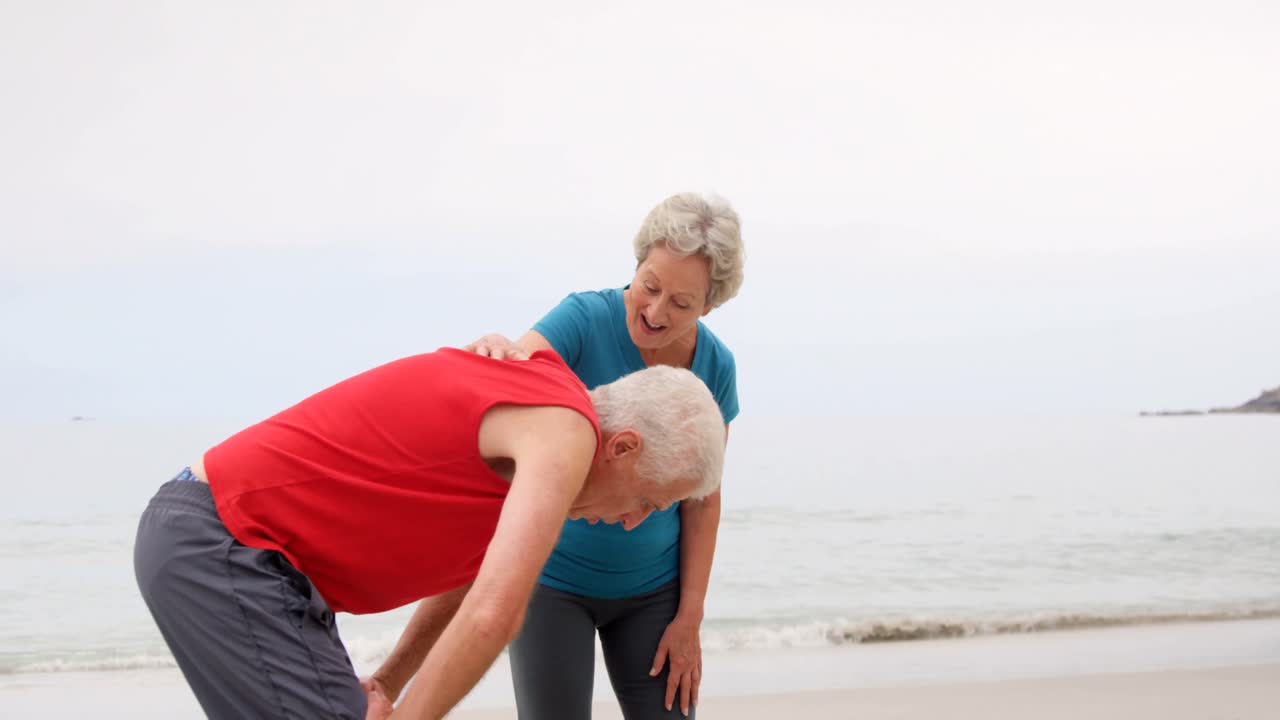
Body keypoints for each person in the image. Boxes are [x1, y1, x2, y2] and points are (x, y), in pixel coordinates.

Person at [133, 347, 726, 720]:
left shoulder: (542, 417)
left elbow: (472, 584)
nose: (633, 522)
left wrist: (391, 680)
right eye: (649, 501)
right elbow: (495, 613)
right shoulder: (566, 436)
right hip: (226, 543)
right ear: (623, 447)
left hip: (252, 563)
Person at [460, 192, 743, 718]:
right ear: (636, 265)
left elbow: (702, 500)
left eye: (682, 304)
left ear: (710, 305)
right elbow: (513, 377)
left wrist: (690, 619)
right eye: (650, 287)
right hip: (552, 581)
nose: (656, 312)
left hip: (654, 593)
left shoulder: (716, 367)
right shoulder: (584, 319)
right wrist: (497, 350)